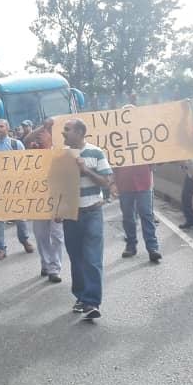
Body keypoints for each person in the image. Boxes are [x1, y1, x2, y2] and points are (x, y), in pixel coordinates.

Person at [60, 119, 113, 321]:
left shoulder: (96, 152)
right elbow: (56, 185)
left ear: (80, 132)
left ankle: (92, 301)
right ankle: (81, 296)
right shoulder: (62, 155)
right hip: (70, 214)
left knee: (92, 258)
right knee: (76, 258)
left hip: (92, 212)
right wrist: (57, 209)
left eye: (67, 129)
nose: (64, 133)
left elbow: (107, 182)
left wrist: (86, 170)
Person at [0, 119, 34, 260]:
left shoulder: (16, 144)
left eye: (1, 126)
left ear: (7, 128)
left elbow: (25, 163)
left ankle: (24, 240)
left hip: (15, 187)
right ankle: (1, 248)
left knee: (20, 217)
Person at [27, 118, 64, 283]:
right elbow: (26, 139)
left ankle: (54, 267)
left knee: (57, 235)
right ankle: (46, 263)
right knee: (41, 234)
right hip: (38, 199)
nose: (41, 137)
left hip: (57, 198)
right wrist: (43, 126)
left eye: (45, 135)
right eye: (40, 135)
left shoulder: (60, 151)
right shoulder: (32, 151)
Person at [113, 164, 161, 262]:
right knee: (128, 216)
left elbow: (156, 159)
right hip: (124, 183)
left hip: (144, 182)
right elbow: (112, 162)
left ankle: (152, 248)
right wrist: (112, 183)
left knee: (146, 214)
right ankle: (131, 245)